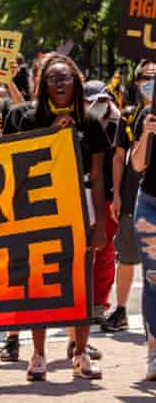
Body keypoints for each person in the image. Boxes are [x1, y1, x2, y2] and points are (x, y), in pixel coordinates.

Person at [6, 53, 107, 381]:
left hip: (80, 204)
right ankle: (38, 355)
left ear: (76, 83)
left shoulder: (90, 120)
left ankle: (80, 354)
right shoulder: (29, 118)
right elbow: (22, 166)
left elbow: (97, 175)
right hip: (42, 205)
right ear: (43, 85)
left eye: (65, 78)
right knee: (41, 281)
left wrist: (101, 223)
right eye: (53, 79)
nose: (59, 84)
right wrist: (51, 133)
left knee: (82, 281)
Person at [103, 60, 156, 333]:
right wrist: (116, 193)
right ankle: (120, 309)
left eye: (154, 77)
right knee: (127, 256)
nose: (150, 82)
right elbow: (120, 157)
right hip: (133, 195)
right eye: (146, 77)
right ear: (136, 83)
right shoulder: (129, 116)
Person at [83, 81, 121, 324]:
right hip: (84, 193)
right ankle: (79, 303)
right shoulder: (79, 124)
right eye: (93, 101)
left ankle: (99, 303)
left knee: (105, 253)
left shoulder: (118, 124)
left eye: (103, 100)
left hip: (107, 198)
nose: (99, 105)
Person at [130, 67, 156, 380]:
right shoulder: (148, 115)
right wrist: (148, 133)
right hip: (150, 205)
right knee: (152, 280)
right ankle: (153, 352)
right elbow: (138, 164)